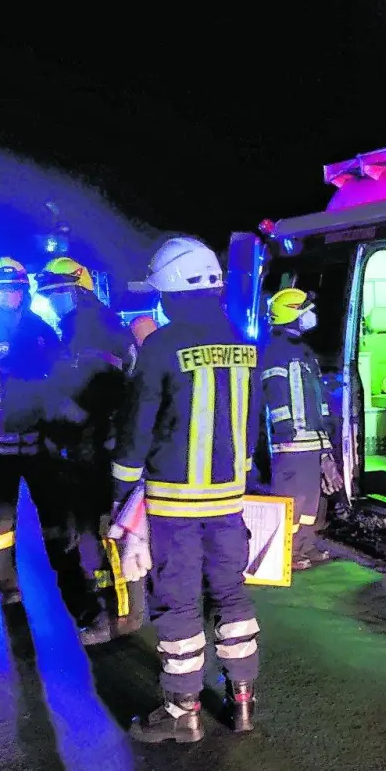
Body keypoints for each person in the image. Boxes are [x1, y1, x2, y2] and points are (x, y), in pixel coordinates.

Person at [110, 235, 263, 744]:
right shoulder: (245, 342)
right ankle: (242, 701)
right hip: (229, 500)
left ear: (172, 288)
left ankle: (183, 712)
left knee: (177, 604)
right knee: (231, 595)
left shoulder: (161, 346)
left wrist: (121, 486)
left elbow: (138, 428)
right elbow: (251, 423)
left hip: (174, 502)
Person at [35, 255, 145, 644]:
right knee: (93, 531)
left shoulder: (92, 326)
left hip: (100, 444)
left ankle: (122, 615)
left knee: (106, 528)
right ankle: (108, 607)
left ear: (77, 291)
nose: (51, 301)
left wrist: (73, 414)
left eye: (57, 293)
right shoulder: (83, 324)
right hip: (91, 443)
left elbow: (104, 384)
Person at [0, 257, 63, 607]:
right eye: (2, 291)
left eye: (15, 290)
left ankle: (62, 575)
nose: (10, 297)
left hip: (39, 439)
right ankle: (6, 582)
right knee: (0, 518)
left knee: (53, 511)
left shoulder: (39, 329)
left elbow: (61, 373)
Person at [260, 287, 341, 569]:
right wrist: (285, 428)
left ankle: (305, 545)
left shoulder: (302, 352)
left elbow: (314, 395)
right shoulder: (277, 352)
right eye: (306, 311)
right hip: (292, 443)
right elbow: (275, 392)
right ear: (292, 315)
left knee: (310, 503)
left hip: (311, 440)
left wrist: (325, 440)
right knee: (291, 502)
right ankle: (287, 553)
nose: (312, 316)